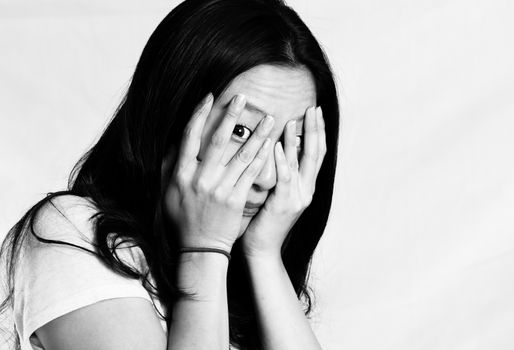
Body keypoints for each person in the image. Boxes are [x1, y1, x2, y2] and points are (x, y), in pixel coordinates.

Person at [0, 0, 339, 349]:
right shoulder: (73, 232)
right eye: (241, 131)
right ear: (172, 115)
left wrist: (265, 254)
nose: (268, 176)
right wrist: (205, 249)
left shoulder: (247, 273)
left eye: (290, 142)